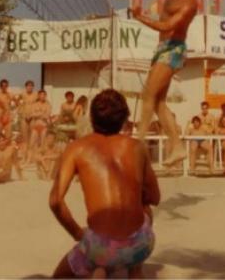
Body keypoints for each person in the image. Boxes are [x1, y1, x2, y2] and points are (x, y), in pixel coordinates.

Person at [49, 89, 160, 279]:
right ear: (124, 118)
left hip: (100, 248)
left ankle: (101, 268)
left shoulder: (76, 148)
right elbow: (154, 198)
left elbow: (55, 201)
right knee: (145, 210)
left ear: (91, 117)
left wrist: (76, 232)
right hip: (141, 244)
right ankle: (133, 269)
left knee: (60, 276)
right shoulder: (137, 147)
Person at [131, 0, 212, 166]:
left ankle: (139, 146)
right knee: (157, 102)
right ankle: (177, 147)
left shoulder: (188, 5)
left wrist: (140, 17)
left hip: (174, 50)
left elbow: (167, 25)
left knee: (147, 95)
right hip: (162, 48)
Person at [28, 90, 52, 160]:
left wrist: (37, 114)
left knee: (42, 144)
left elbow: (47, 116)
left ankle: (41, 160)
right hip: (35, 126)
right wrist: (41, 114)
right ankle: (28, 160)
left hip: (44, 126)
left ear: (45, 96)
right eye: (41, 95)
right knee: (31, 144)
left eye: (44, 95)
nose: (42, 96)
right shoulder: (34, 104)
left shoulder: (48, 105)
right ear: (38, 96)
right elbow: (31, 114)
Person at [17, 80, 38, 152]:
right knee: (24, 135)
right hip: (24, 116)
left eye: (31, 86)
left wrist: (35, 114)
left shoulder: (36, 94)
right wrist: (21, 112)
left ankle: (31, 153)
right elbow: (16, 101)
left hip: (33, 116)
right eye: (28, 86)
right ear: (26, 87)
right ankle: (25, 152)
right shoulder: (22, 94)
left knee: (32, 135)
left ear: (33, 87)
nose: (30, 87)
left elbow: (41, 103)